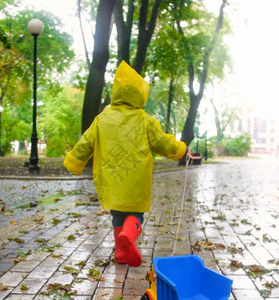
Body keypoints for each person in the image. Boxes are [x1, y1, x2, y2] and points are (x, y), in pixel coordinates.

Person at [63, 61, 189, 267]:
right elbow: (163, 143)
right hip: (135, 178)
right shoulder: (145, 120)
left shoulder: (102, 119)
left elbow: (85, 143)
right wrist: (182, 149)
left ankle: (121, 253)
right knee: (135, 212)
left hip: (110, 178)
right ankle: (129, 237)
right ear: (140, 94)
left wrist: (73, 162)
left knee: (117, 213)